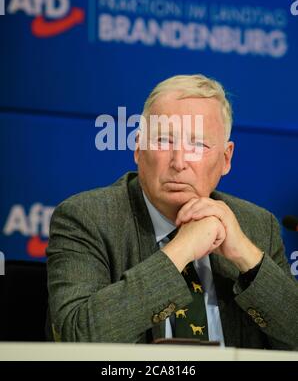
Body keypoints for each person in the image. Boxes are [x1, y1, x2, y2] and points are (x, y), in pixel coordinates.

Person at [47, 74, 298, 349]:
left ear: (226, 159)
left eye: (198, 145)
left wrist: (247, 257)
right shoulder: (87, 218)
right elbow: (75, 339)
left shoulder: (258, 226)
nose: (179, 162)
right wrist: (181, 250)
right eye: (164, 141)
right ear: (138, 148)